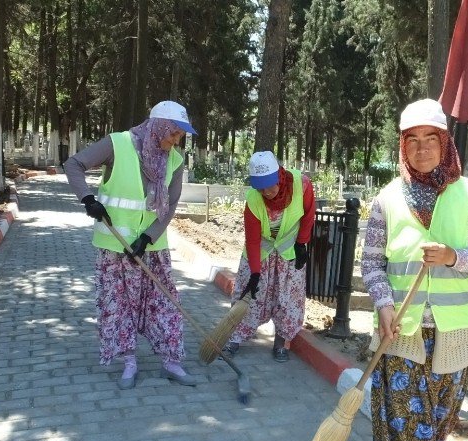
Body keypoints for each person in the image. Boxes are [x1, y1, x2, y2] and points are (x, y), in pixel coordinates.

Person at [360, 99, 468, 441]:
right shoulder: (386, 198)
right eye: (412, 140)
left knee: (438, 416)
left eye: (430, 139)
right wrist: (383, 305)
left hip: (453, 330)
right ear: (402, 145)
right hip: (402, 328)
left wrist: (454, 256)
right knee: (406, 416)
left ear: (445, 143)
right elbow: (372, 262)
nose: (421, 149)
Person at [63, 100, 198, 390]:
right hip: (115, 247)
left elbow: (170, 206)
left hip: (152, 248)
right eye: (174, 133)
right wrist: (88, 199)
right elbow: (74, 164)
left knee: (165, 303)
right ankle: (128, 362)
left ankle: (171, 361)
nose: (176, 140)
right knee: (118, 305)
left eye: (180, 136)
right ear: (159, 127)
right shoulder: (118, 144)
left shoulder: (174, 160)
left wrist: (148, 237)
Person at [222, 151, 316, 362]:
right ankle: (234, 338)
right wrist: (255, 273)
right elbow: (253, 240)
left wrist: (302, 243)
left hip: (289, 248)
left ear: (279, 175)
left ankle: (281, 342)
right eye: (260, 186)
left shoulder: (301, 185)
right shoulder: (254, 200)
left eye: (269, 184)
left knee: (288, 298)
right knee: (248, 295)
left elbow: (309, 214)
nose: (266, 191)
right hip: (261, 251)